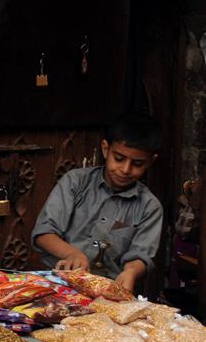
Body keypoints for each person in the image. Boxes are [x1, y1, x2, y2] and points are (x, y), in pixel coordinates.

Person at [31, 112, 163, 293]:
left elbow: (140, 255)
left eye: (137, 164)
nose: (125, 169)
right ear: (105, 149)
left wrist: (131, 272)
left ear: (151, 162)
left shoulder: (149, 207)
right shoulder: (75, 182)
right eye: (119, 159)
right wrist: (72, 253)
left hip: (107, 291)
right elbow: (44, 234)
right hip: (56, 283)